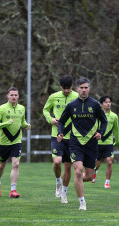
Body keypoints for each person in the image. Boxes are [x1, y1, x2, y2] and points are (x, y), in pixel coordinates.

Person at [57, 77, 108, 210]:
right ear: (77, 89)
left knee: (90, 176)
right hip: (75, 142)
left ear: (89, 89)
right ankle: (82, 202)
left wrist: (100, 133)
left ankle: (73, 183)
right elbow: (61, 121)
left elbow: (104, 121)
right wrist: (60, 132)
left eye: (86, 88)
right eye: (81, 88)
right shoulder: (71, 105)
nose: (84, 90)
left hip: (91, 143)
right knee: (78, 171)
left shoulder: (95, 104)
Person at [42, 75, 78, 203]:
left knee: (68, 165)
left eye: (69, 88)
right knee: (57, 162)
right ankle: (58, 182)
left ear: (72, 86)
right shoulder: (54, 97)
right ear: (60, 87)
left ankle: (64, 193)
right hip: (56, 135)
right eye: (64, 88)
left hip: (72, 136)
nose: (66, 91)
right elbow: (45, 110)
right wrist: (50, 119)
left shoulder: (77, 97)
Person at [0, 87, 31, 198]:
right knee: (2, 165)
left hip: (16, 141)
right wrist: (7, 122)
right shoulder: (2, 109)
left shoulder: (22, 108)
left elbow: (22, 122)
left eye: (15, 95)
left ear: (18, 96)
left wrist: (26, 125)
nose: (14, 97)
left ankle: (13, 190)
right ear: (7, 96)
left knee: (16, 164)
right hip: (4, 142)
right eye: (12, 95)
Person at [92, 96, 119, 189]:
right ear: (101, 104)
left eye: (109, 102)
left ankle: (107, 182)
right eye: (106, 102)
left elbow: (116, 129)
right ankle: (94, 173)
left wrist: (117, 140)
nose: (108, 104)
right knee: (97, 164)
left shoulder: (114, 116)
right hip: (98, 143)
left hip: (108, 143)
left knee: (109, 162)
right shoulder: (97, 115)